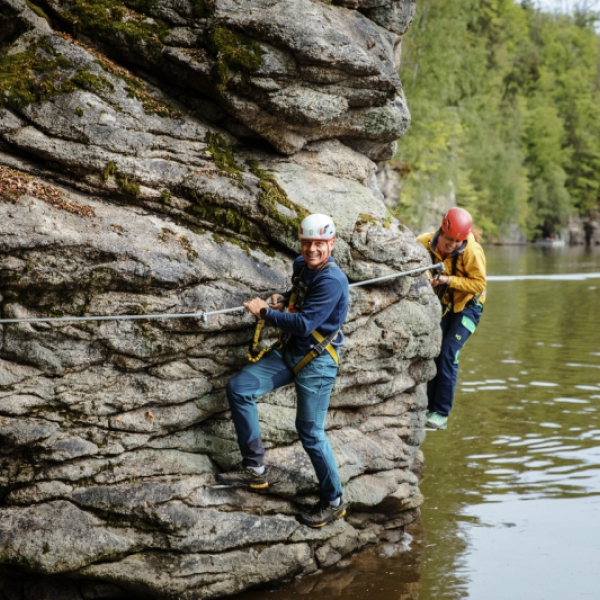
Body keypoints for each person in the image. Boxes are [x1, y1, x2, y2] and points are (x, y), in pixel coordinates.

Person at [216, 213, 350, 528]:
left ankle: (334, 501)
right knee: (239, 388)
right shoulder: (301, 266)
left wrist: (264, 312)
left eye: (319, 243)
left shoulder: (333, 280)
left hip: (317, 362)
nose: (312, 250)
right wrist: (283, 301)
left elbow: (305, 324)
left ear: (330, 243)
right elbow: (299, 300)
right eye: (307, 243)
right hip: (291, 353)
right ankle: (255, 470)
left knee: (311, 433)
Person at [417, 207, 486, 430]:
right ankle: (429, 408)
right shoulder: (425, 242)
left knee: (449, 352)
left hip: (468, 307)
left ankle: (441, 413)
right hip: (446, 306)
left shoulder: (471, 251)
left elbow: (479, 284)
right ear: (441, 230)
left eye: (458, 241)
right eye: (449, 239)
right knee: (436, 350)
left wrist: (448, 280)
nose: (453, 245)